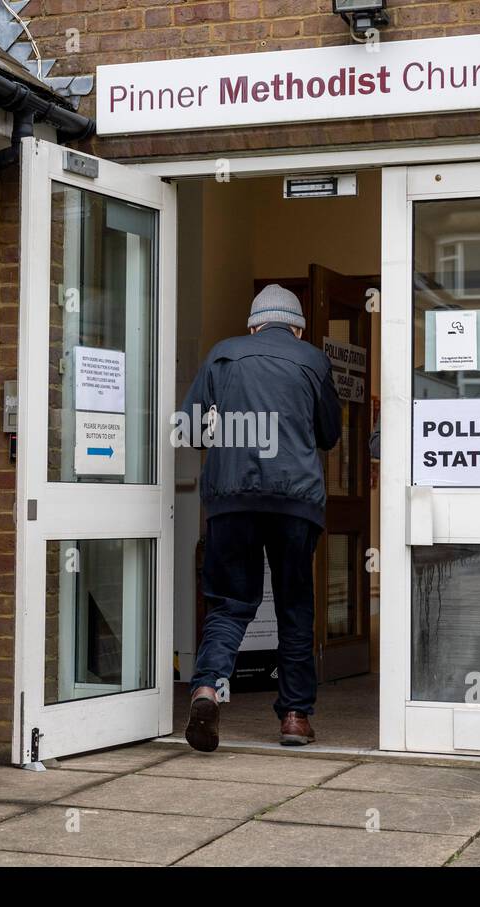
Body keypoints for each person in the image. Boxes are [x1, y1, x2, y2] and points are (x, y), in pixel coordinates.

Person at [179, 283, 342, 751]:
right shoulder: (312, 360)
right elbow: (329, 433)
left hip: (232, 499)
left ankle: (208, 687)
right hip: (295, 502)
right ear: (296, 328)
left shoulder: (222, 355)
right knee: (294, 605)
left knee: (230, 602)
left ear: (252, 325)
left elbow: (188, 427)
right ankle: (294, 716)